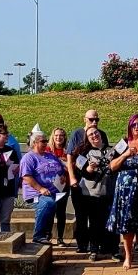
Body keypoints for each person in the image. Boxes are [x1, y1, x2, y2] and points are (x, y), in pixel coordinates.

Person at [107, 114, 138, 270]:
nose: (137, 127)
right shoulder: (123, 144)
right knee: (127, 225)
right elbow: (112, 166)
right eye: (134, 124)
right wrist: (126, 154)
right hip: (125, 191)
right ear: (129, 126)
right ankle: (128, 256)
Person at [66, 110, 109, 254]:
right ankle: (82, 244)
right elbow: (70, 157)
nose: (94, 122)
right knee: (81, 215)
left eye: (97, 119)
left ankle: (97, 244)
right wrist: (72, 178)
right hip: (79, 181)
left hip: (98, 183)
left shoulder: (101, 134)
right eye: (91, 119)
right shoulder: (77, 134)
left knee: (97, 216)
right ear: (85, 119)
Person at [71, 125, 117, 260]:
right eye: (90, 135)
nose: (94, 136)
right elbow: (82, 172)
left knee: (111, 222)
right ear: (87, 138)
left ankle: (113, 250)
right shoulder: (83, 153)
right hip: (91, 193)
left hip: (109, 192)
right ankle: (94, 249)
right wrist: (90, 169)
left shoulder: (111, 151)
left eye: (95, 132)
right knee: (95, 223)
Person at [19, 131, 68, 245]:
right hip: (35, 194)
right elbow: (26, 177)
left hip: (53, 191)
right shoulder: (29, 158)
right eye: (43, 141)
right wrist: (40, 188)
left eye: (46, 141)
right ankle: (38, 235)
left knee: (52, 203)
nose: (46, 143)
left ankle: (46, 234)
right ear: (35, 142)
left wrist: (63, 176)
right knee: (47, 203)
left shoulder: (50, 156)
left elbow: (61, 170)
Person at [47, 128, 69, 246]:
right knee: (50, 210)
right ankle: (47, 236)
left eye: (61, 135)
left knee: (61, 212)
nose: (58, 137)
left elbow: (72, 166)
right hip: (50, 186)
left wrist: (66, 172)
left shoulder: (67, 151)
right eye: (56, 135)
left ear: (64, 137)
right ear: (53, 136)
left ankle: (60, 237)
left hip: (63, 185)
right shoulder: (48, 150)